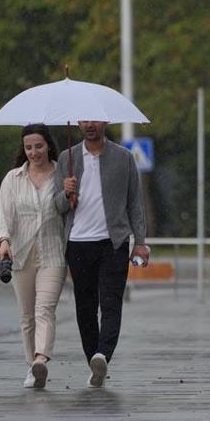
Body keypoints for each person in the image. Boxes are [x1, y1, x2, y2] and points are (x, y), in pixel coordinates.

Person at [54, 120, 148, 388]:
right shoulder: (67, 158)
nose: (89, 125)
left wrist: (140, 241)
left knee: (111, 303)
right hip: (78, 243)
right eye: (84, 120)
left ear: (105, 122)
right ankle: (93, 362)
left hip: (113, 242)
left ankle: (102, 354)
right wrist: (66, 193)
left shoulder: (124, 158)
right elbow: (56, 205)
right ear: (79, 123)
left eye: (94, 120)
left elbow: (135, 203)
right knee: (85, 307)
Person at [0, 124, 67, 389]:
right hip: (21, 255)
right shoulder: (12, 179)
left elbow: (69, 210)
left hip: (53, 254)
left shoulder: (62, 174)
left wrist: (70, 192)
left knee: (44, 310)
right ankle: (32, 367)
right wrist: (4, 241)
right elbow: (5, 218)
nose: (34, 152)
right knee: (27, 317)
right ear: (23, 149)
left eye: (39, 146)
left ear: (48, 145)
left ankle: (41, 359)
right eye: (28, 147)